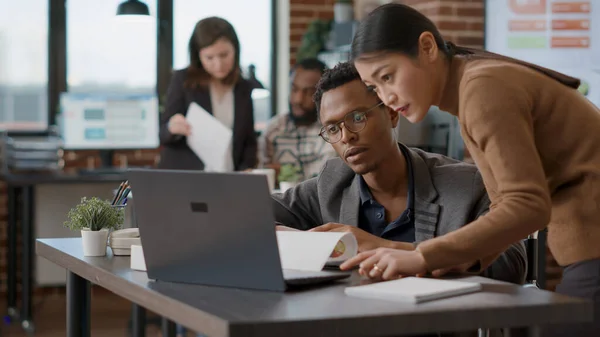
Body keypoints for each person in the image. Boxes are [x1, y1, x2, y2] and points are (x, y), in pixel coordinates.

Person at [340, 4, 600, 336]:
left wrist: (423, 255)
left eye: (388, 76)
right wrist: (442, 259)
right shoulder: (472, 88)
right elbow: (508, 209)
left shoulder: (482, 89)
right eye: (375, 87)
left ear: (428, 47)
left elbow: (528, 206)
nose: (387, 97)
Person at [272, 61, 527, 286]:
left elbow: (512, 264)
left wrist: (388, 248)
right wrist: (308, 243)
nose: (346, 135)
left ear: (392, 113)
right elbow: (250, 219)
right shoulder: (333, 182)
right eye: (332, 128)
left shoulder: (466, 185)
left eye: (357, 117)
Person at [158, 17, 257, 171]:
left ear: (235, 50)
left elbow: (249, 140)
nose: (218, 64)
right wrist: (172, 127)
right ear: (198, 56)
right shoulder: (183, 80)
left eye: (224, 55)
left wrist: (247, 167)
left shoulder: (243, 87)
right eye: (209, 58)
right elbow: (162, 134)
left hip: (229, 178)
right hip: (188, 177)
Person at [259, 58, 337, 181]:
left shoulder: (332, 131)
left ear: (324, 94)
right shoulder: (273, 129)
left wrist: (283, 172)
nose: (298, 99)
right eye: (294, 89)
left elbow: (327, 182)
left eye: (309, 92)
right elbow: (261, 175)